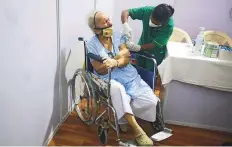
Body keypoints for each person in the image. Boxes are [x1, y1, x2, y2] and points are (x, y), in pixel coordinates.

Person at [86, 10, 161, 146]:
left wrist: (115, 61)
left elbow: (126, 57)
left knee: (150, 102)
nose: (110, 23)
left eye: (109, 19)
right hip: (108, 79)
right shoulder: (92, 45)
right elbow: (99, 68)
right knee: (117, 89)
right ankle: (138, 130)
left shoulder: (117, 35)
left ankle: (122, 119)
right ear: (97, 30)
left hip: (129, 75)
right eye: (105, 22)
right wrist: (117, 58)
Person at [121, 4, 175, 71]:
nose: (152, 23)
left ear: (163, 23)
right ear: (151, 13)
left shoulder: (169, 25)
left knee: (149, 74)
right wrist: (125, 25)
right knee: (138, 69)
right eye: (151, 19)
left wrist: (138, 48)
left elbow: (154, 44)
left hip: (155, 52)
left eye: (156, 23)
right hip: (143, 43)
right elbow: (125, 12)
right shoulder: (147, 11)